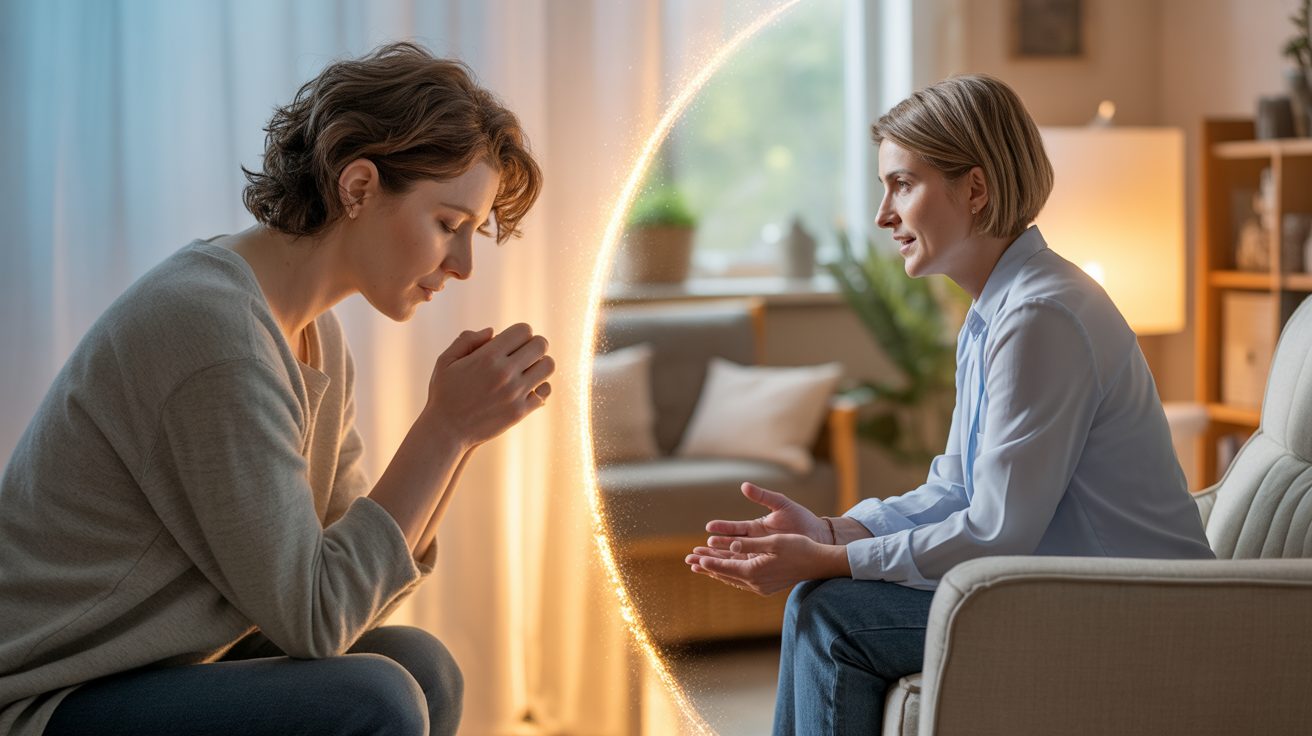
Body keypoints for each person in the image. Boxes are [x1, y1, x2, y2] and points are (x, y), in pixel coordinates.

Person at [0, 42, 549, 736]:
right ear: (358, 188)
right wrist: (446, 429)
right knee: (376, 700)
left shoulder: (316, 337)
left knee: (421, 664)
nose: (465, 265)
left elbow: (352, 596)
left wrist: (464, 436)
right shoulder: (213, 331)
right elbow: (316, 620)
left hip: (163, 664)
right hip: (50, 692)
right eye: (449, 225)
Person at [684, 73, 1214, 734]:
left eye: (902, 184)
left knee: (831, 613)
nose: (883, 215)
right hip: (1077, 594)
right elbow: (958, 488)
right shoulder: (1000, 312)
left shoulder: (1041, 316)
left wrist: (833, 560)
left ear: (977, 188)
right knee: (821, 601)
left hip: (1138, 616)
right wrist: (832, 531)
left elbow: (997, 530)